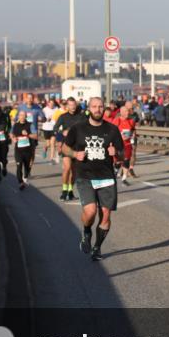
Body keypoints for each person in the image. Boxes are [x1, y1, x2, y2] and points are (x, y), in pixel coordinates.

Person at [62, 97, 125, 261]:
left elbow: (122, 153)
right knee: (90, 212)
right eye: (94, 106)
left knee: (105, 216)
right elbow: (64, 147)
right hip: (85, 175)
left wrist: (116, 154)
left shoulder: (112, 130)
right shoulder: (78, 128)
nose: (98, 109)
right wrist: (75, 154)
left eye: (100, 106)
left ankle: (97, 247)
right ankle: (86, 230)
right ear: (89, 108)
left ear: (104, 109)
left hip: (106, 177)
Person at [53, 97, 84, 201]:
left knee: (74, 171)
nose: (72, 107)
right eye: (70, 105)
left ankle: (70, 191)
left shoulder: (81, 116)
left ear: (76, 105)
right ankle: (64, 191)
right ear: (67, 106)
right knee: (67, 168)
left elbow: (87, 126)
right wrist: (62, 132)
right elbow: (55, 129)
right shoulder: (63, 117)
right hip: (67, 146)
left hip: (78, 146)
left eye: (74, 105)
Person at [111, 104, 138, 184]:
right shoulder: (117, 121)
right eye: (126, 111)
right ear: (121, 112)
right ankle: (116, 170)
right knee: (118, 162)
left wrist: (133, 135)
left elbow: (133, 130)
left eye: (128, 111)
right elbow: (111, 132)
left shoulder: (131, 121)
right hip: (118, 144)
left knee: (126, 160)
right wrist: (119, 136)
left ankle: (124, 178)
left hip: (127, 144)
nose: (128, 113)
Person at [11, 110, 38, 191]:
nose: (22, 117)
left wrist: (28, 134)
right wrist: (13, 138)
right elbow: (11, 133)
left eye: (23, 115)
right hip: (18, 150)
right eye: (20, 115)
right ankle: (20, 183)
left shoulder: (30, 125)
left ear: (26, 117)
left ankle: (26, 176)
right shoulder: (15, 125)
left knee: (27, 166)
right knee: (19, 166)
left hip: (28, 150)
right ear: (18, 116)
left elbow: (36, 136)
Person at [41, 98, 59, 163]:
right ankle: (45, 148)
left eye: (53, 103)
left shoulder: (57, 109)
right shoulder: (44, 109)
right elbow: (41, 118)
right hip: (46, 128)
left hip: (53, 128)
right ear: (48, 103)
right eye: (50, 103)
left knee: (53, 143)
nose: (51, 105)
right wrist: (46, 119)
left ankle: (51, 158)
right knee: (48, 144)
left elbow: (59, 116)